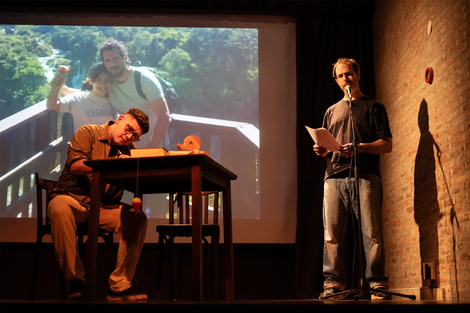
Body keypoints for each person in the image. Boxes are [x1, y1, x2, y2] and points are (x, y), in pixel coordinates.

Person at [48, 108, 150, 301]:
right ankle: (75, 282)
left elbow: (139, 174)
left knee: (136, 218)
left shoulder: (130, 151)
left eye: (135, 136)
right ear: (120, 119)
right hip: (72, 199)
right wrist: (112, 163)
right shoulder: (88, 132)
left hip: (103, 207)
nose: (129, 136)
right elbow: (75, 165)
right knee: (59, 208)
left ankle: (120, 285)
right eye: (129, 129)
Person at [314, 58, 393, 300]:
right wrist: (322, 150)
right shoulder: (331, 110)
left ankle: (377, 282)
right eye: (340, 76)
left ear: (358, 74)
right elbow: (327, 142)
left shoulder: (374, 107)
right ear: (336, 80)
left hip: (366, 175)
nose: (345, 79)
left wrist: (360, 147)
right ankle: (334, 283)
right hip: (334, 177)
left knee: (372, 232)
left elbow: (386, 145)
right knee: (332, 234)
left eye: (349, 74)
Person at [99, 39, 172, 149]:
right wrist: (62, 81)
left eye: (116, 58)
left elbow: (164, 117)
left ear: (125, 57)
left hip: (153, 149)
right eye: (108, 60)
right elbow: (88, 95)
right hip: (127, 150)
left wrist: (149, 151)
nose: (112, 64)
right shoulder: (109, 82)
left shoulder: (143, 79)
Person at [47, 63, 116, 133]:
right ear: (90, 81)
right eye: (99, 80)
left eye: (107, 80)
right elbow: (52, 105)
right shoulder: (78, 99)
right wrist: (55, 86)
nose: (103, 84)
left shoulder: (116, 100)